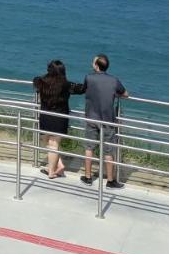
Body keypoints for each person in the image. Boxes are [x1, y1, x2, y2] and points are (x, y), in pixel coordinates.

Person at [80, 53, 130, 189]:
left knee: (89, 147)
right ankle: (110, 180)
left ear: (96, 65)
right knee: (108, 151)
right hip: (108, 119)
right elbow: (125, 94)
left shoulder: (89, 77)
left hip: (91, 117)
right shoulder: (114, 80)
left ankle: (88, 177)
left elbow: (84, 89)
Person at [33, 60, 86, 178]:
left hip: (45, 115)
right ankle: (58, 167)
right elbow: (81, 89)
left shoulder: (41, 82)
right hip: (60, 116)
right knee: (53, 143)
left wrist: (46, 77)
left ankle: (52, 170)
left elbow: (35, 80)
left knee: (49, 142)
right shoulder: (66, 85)